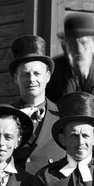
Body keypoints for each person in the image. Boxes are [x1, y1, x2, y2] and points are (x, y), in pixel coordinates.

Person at [7, 35, 65, 175]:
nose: (31, 79)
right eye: (25, 74)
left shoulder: (63, 116)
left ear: (48, 76)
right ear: (15, 78)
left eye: (37, 73)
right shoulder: (6, 117)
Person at [46, 12, 94, 104]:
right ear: (64, 48)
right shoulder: (53, 72)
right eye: (72, 44)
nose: (79, 50)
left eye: (84, 43)